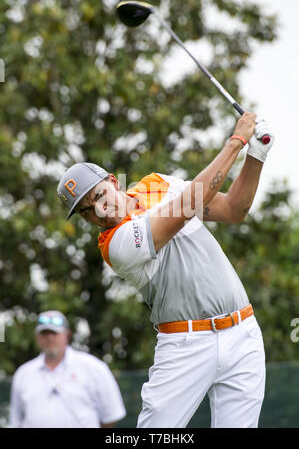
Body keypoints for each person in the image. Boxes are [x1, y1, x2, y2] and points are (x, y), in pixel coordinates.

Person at [57, 112, 274, 428]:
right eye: (87, 212)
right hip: (185, 346)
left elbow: (233, 210)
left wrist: (257, 154)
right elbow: (187, 207)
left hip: (244, 334)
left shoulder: (158, 183)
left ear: (113, 182)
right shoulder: (114, 245)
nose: (99, 211)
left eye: (99, 196)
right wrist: (237, 142)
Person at [10, 310, 126, 428]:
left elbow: (110, 417)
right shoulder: (23, 374)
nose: (49, 338)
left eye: (54, 333)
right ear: (37, 337)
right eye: (44, 333)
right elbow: (16, 420)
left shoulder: (94, 368)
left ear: (67, 335)